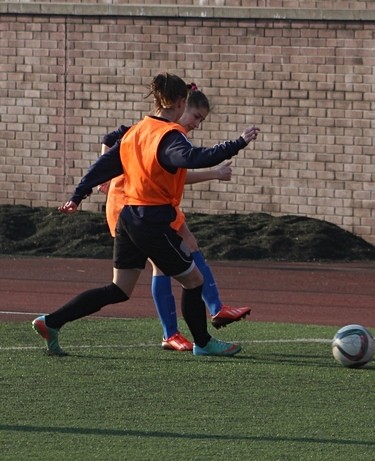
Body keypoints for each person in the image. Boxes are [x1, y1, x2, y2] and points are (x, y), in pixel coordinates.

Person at [32, 72, 259, 357]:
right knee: (194, 280)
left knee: (119, 289)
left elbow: (102, 166)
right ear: (180, 102)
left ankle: (51, 321)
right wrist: (238, 142)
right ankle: (203, 343)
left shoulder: (136, 131)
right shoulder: (169, 135)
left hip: (128, 218)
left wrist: (77, 196)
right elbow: (194, 158)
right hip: (151, 221)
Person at [99, 87, 251, 352]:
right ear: (180, 107)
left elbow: (178, 175)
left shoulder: (174, 136)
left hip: (157, 206)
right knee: (160, 267)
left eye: (201, 119)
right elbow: (110, 138)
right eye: (195, 116)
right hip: (132, 206)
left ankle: (215, 309)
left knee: (189, 244)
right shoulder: (156, 132)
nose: (196, 123)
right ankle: (172, 332)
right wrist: (106, 174)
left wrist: (214, 173)